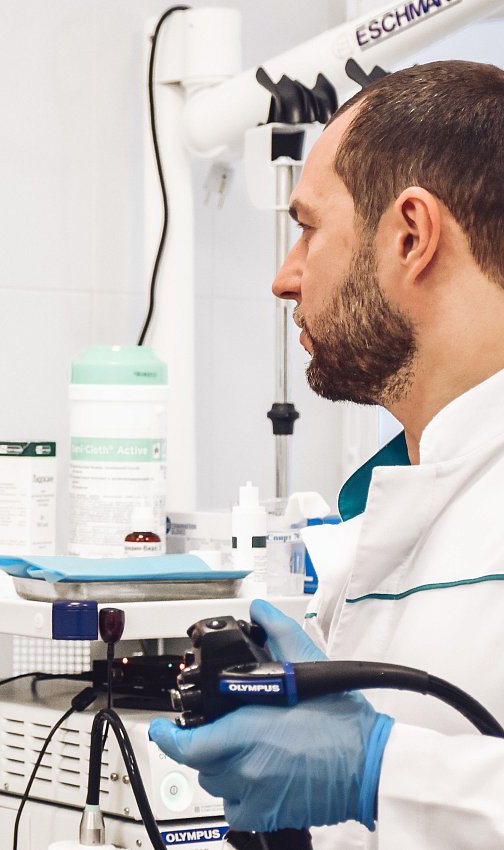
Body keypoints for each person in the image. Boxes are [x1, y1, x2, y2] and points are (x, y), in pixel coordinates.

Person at [151, 59, 504, 849]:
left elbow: (381, 774)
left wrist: (376, 770)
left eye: (308, 228)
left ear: (411, 236)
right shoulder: (398, 498)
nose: (285, 278)